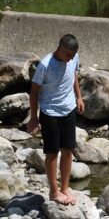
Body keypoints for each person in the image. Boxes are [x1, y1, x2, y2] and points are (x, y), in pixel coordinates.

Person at [27, 34, 84, 205]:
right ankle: (54, 191)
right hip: (50, 112)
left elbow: (74, 75)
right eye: (68, 55)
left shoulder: (73, 58)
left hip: (69, 109)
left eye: (73, 56)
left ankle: (65, 188)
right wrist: (33, 118)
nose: (71, 59)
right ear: (60, 49)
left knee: (68, 150)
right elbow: (34, 92)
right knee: (52, 153)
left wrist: (79, 97)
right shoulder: (45, 65)